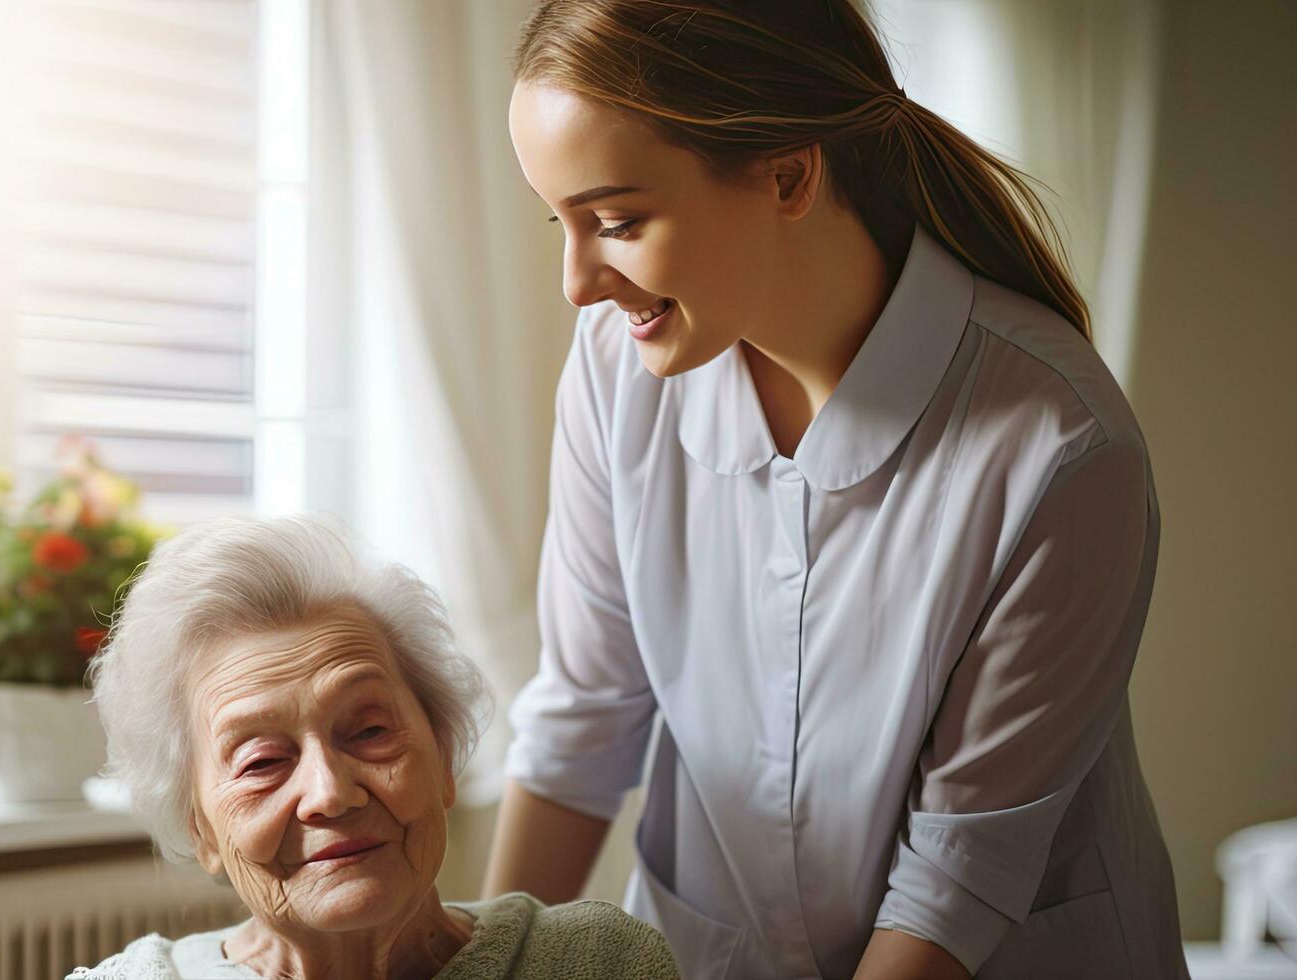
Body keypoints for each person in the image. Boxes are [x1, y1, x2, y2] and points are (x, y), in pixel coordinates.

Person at [483, 2, 1186, 978]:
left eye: (613, 221)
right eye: (557, 220)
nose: (575, 282)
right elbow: (581, 722)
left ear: (785, 174)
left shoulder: (1055, 443)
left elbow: (951, 883)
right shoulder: (615, 367)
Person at [74, 515, 680, 980]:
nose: (330, 793)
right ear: (200, 828)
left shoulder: (598, 962)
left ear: (443, 758)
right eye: (262, 762)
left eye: (369, 732)